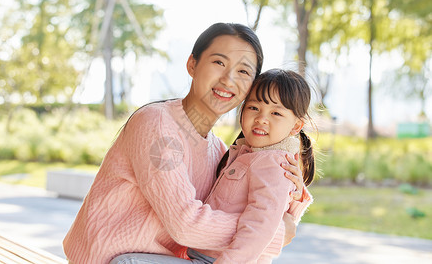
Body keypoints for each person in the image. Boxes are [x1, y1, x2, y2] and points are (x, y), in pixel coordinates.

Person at [63, 23, 310, 264]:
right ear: (192, 64)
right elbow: (186, 225)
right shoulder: (157, 124)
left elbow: (257, 204)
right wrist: (276, 232)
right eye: (219, 62)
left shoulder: (221, 152)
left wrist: (292, 196)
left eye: (243, 71)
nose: (228, 79)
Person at [186, 68, 316, 263]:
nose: (261, 119)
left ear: (296, 126)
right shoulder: (247, 153)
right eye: (254, 108)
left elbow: (260, 226)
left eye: (276, 113)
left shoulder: (272, 163)